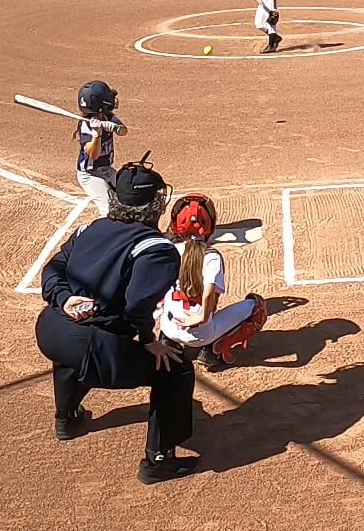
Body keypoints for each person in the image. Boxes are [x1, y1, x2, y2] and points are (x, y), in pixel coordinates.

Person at [35, 156, 200, 484]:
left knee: (72, 352)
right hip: (95, 349)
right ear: (156, 205)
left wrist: (64, 299)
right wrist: (148, 340)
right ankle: (159, 460)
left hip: (51, 330)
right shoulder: (156, 248)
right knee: (176, 369)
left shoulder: (88, 229)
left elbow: (53, 269)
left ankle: (67, 417)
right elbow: (137, 305)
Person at [155, 193, 268, 372]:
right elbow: (209, 293)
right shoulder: (211, 256)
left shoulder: (168, 250)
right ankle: (213, 351)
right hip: (200, 335)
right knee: (257, 306)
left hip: (169, 326)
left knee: (168, 294)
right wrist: (202, 317)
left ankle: (168, 341)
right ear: (210, 226)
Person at [74, 80, 127, 214]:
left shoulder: (107, 116)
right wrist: (96, 134)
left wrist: (115, 127)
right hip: (90, 174)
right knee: (108, 211)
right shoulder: (86, 126)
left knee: (126, 199)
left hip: (107, 170)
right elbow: (93, 154)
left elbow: (124, 131)